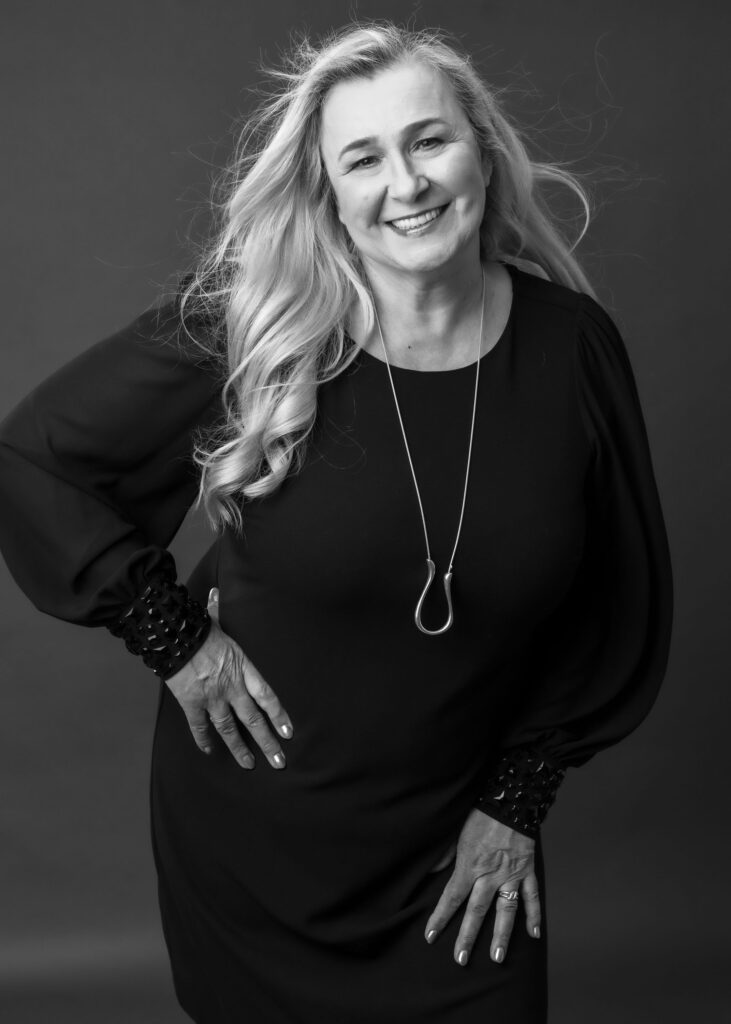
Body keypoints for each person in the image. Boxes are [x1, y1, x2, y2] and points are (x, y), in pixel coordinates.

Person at [0, 20, 673, 1024]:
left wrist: (515, 799)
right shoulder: (260, 328)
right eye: (363, 158)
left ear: (480, 150)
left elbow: (615, 598)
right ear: (328, 192)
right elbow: (33, 456)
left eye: (428, 140)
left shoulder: (572, 348)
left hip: (457, 847)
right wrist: (173, 641)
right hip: (257, 842)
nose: (404, 183)